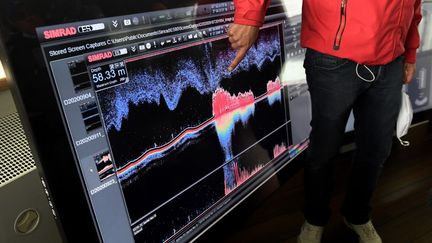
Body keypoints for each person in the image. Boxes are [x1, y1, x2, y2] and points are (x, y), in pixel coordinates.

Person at [228, 0, 423, 242]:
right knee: (324, 148)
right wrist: (248, 16)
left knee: (376, 148)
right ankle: (315, 219)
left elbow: (412, 6)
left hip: (392, 59)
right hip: (333, 58)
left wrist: (410, 52)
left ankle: (357, 215)